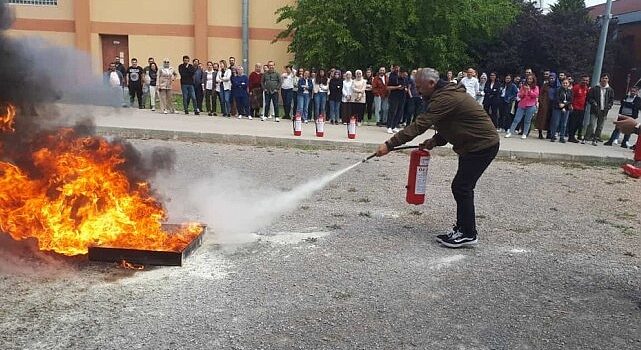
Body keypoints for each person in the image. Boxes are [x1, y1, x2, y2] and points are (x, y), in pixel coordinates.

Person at [375, 68, 499, 248]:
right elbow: (453, 124)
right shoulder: (443, 95)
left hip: (482, 146)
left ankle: (468, 233)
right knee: (462, 187)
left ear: (432, 83)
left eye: (419, 86)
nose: (417, 90)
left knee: (462, 187)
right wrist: (435, 141)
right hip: (471, 145)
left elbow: (420, 125)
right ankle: (463, 229)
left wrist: (389, 144)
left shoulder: (445, 98)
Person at [506, 74, 539, 139]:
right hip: (522, 105)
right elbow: (519, 94)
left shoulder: (536, 87)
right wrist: (523, 93)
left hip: (531, 105)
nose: (529, 80)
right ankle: (510, 132)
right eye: (528, 79)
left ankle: (524, 133)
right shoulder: (523, 86)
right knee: (516, 119)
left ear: (533, 80)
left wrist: (529, 90)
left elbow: (536, 95)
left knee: (527, 120)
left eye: (531, 79)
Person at [585, 73, 614, 146]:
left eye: (606, 78)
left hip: (604, 111)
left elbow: (611, 100)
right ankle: (586, 138)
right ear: (600, 79)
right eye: (603, 78)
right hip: (595, 109)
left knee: (600, 126)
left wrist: (609, 106)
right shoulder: (595, 88)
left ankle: (595, 139)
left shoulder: (610, 90)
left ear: (608, 80)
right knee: (592, 124)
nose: (604, 80)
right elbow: (589, 98)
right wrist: (594, 103)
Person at [549, 78, 573, 143]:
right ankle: (552, 136)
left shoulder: (570, 91)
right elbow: (556, 98)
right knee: (555, 123)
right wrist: (560, 104)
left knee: (564, 124)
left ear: (568, 84)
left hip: (566, 108)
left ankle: (562, 137)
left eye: (566, 83)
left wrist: (565, 104)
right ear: (561, 83)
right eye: (564, 83)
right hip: (557, 108)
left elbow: (570, 100)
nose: (565, 84)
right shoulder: (558, 90)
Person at [567, 75, 590, 143]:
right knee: (573, 123)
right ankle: (571, 137)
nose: (585, 82)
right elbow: (571, 96)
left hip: (582, 108)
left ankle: (573, 135)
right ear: (581, 80)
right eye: (584, 80)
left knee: (579, 123)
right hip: (575, 108)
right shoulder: (576, 87)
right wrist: (570, 105)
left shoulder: (586, 88)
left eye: (586, 80)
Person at [386, 64, 404, 133]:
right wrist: (397, 87)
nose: (398, 69)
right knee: (392, 110)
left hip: (402, 95)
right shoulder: (392, 76)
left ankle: (394, 125)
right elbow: (388, 87)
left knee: (399, 111)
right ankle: (389, 126)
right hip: (394, 95)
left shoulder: (403, 76)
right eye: (396, 68)